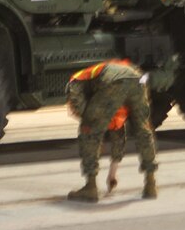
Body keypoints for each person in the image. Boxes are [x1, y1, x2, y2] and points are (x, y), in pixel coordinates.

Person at [66, 59, 158, 202]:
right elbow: (118, 131)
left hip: (114, 81)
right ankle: (151, 184)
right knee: (143, 130)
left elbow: (77, 104)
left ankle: (90, 187)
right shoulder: (110, 92)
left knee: (89, 131)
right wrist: (112, 174)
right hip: (138, 80)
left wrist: (88, 120)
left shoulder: (77, 79)